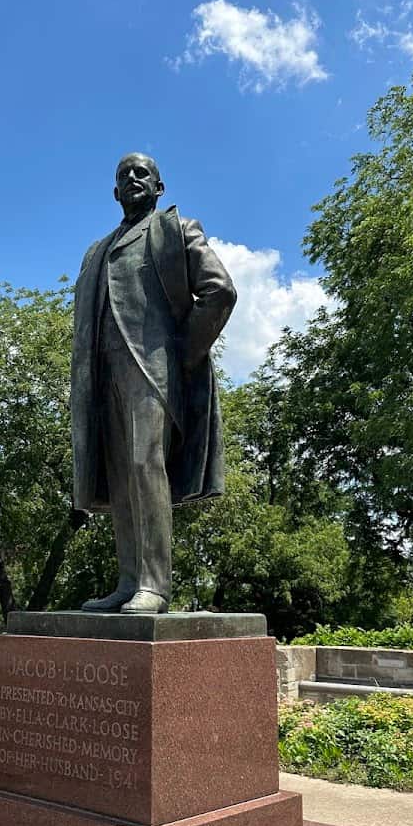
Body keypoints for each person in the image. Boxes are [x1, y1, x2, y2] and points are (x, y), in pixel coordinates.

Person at [70, 153, 236, 613]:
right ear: (114, 192)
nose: (132, 179)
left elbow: (219, 290)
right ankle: (128, 582)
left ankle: (154, 586)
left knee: (146, 468)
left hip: (152, 370)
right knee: (122, 476)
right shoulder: (97, 250)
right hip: (103, 374)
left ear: (159, 187)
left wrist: (181, 354)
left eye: (142, 174)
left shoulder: (175, 230)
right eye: (123, 176)